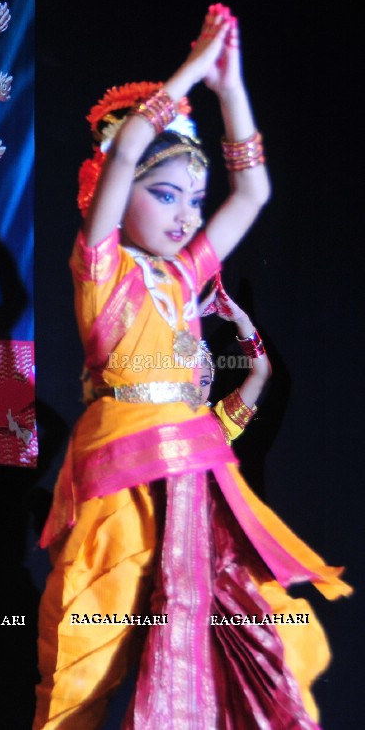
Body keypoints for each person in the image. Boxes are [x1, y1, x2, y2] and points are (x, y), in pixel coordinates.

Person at [35, 5, 349, 729]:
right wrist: (191, 72)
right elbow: (123, 154)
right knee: (88, 655)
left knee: (259, 632)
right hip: (122, 491)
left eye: (192, 200)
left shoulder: (182, 278)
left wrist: (230, 87)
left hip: (200, 489)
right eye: (164, 194)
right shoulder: (101, 269)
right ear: (109, 195)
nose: (184, 216)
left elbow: (254, 194)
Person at [195, 277, 331, 722]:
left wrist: (241, 321)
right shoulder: (146, 436)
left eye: (205, 373)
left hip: (220, 571)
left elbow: (265, 375)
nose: (202, 380)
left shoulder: (216, 426)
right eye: (191, 373)